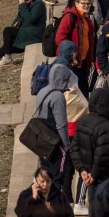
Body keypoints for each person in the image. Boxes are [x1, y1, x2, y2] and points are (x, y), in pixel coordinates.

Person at [70, 88, 109, 210]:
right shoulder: (105, 127)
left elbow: (74, 148)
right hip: (103, 178)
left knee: (94, 211)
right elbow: (102, 155)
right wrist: (94, 175)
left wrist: (82, 170)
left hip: (88, 177)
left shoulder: (83, 121)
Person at [32, 65, 73, 198]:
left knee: (44, 174)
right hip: (55, 143)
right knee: (57, 176)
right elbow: (61, 124)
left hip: (42, 141)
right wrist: (66, 145)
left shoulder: (43, 91)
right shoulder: (58, 97)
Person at [55, 0, 96, 97]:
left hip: (83, 62)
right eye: (83, 3)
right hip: (71, 62)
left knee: (83, 91)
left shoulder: (87, 19)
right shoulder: (70, 17)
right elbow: (60, 38)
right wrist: (70, 56)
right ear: (76, 3)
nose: (86, 6)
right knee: (72, 92)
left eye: (88, 3)